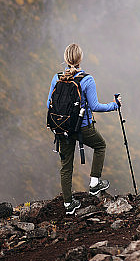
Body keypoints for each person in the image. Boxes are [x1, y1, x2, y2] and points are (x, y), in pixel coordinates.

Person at [45, 43, 120, 215]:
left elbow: (48, 104)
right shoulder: (87, 79)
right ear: (80, 59)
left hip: (62, 128)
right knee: (100, 146)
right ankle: (94, 183)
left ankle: (68, 205)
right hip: (82, 127)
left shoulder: (56, 78)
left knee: (66, 166)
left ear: (65, 59)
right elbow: (95, 106)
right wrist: (114, 105)